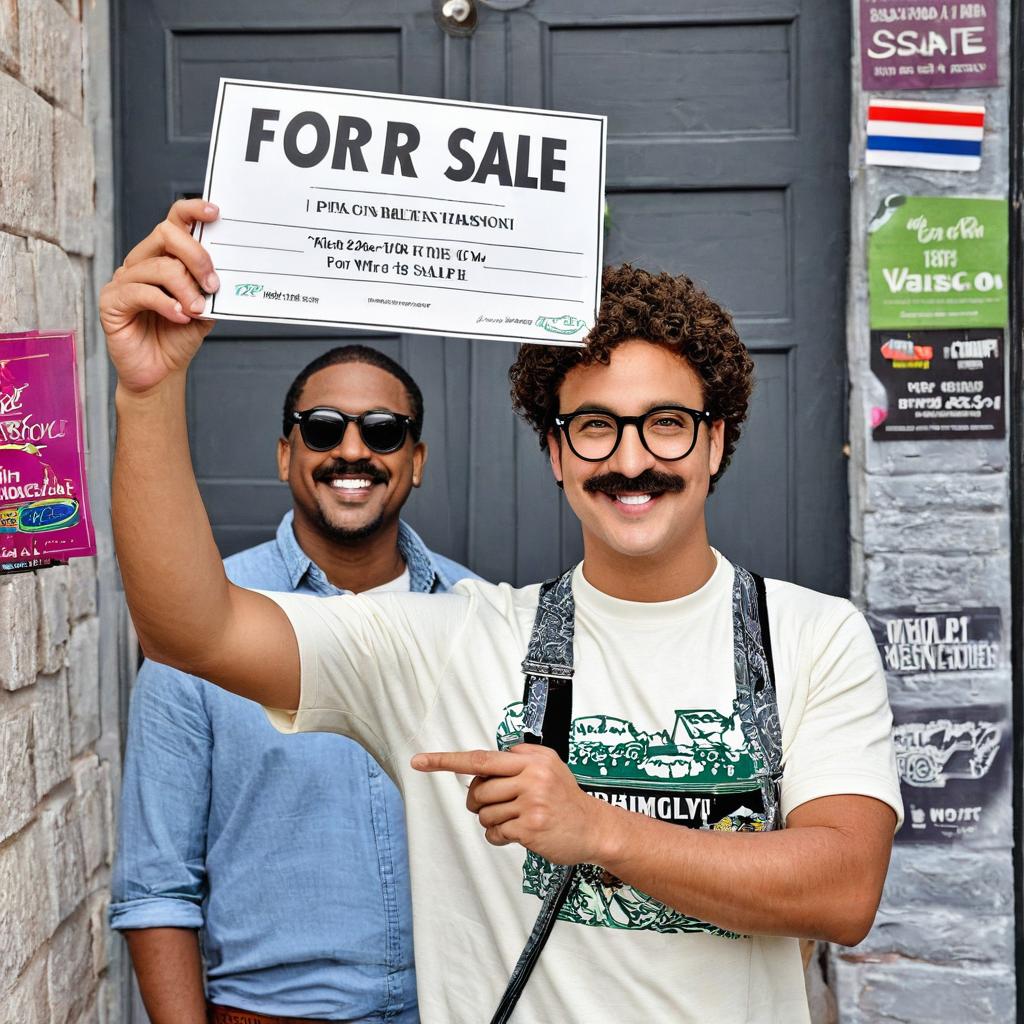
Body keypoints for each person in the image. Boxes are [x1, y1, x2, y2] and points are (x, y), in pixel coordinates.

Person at [103, 198, 902, 1024]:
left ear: (714, 440)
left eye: (666, 425)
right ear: (556, 452)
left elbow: (844, 890)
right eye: (595, 427)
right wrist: (148, 394)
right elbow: (190, 630)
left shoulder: (812, 636)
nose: (630, 461)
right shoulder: (452, 639)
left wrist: (599, 831)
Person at [108, 341, 478, 1024]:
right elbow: (155, 886)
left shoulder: (479, 614)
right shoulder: (196, 622)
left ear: (415, 461)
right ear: (286, 454)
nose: (352, 450)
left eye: (384, 431)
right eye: (323, 428)